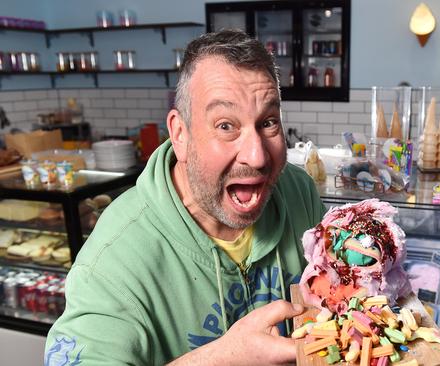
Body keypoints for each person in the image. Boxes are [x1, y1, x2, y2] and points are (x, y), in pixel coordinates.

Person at [45, 30, 326, 365]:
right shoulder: (114, 257)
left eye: (267, 122)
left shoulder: (298, 190)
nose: (258, 156)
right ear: (180, 134)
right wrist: (224, 358)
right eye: (226, 126)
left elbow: (331, 293)